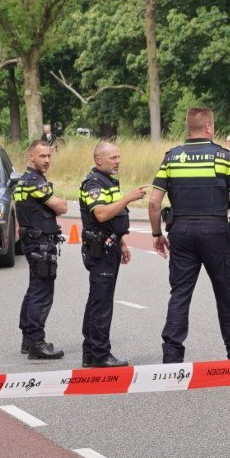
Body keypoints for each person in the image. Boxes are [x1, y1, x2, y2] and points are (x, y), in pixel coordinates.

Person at [151, 108, 230, 363]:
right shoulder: (222, 157)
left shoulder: (171, 158)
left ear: (188, 127)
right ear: (209, 128)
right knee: (225, 292)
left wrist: (157, 233)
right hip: (215, 232)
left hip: (180, 232)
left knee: (180, 293)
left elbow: (154, 203)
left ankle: (172, 355)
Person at [78, 141, 149, 368]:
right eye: (113, 158)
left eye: (119, 157)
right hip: (100, 250)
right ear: (99, 160)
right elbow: (100, 214)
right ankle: (100, 354)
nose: (118, 161)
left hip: (110, 245)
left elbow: (113, 219)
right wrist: (128, 198)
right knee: (101, 303)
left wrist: (122, 242)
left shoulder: (107, 181)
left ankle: (90, 353)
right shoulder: (94, 184)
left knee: (97, 301)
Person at [13, 139, 68, 360]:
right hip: (40, 243)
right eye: (42, 156)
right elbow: (61, 207)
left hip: (33, 240)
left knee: (34, 287)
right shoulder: (35, 182)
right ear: (31, 156)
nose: (46, 160)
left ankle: (28, 338)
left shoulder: (24, 181)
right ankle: (36, 342)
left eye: (49, 156)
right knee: (42, 291)